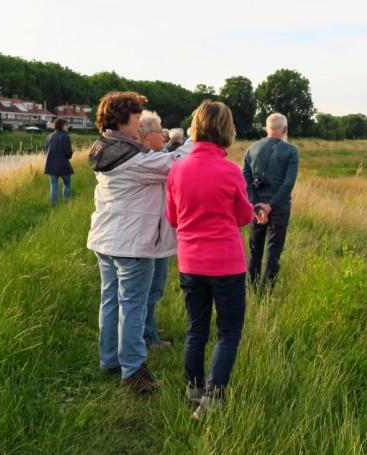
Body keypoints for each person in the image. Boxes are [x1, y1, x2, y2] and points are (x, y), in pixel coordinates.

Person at [87, 92, 185, 395]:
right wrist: (196, 138)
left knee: (111, 300)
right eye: (135, 117)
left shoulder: (109, 148)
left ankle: (110, 359)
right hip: (132, 244)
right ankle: (133, 371)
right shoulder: (130, 158)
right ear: (121, 119)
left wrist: (130, 98)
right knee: (133, 305)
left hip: (107, 240)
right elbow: (173, 163)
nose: (139, 123)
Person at [166, 100, 254, 420]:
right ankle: (213, 400)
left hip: (190, 261)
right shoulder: (230, 170)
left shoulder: (177, 169)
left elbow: (173, 218)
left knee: (195, 329)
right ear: (226, 131)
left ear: (196, 128)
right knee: (228, 333)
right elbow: (244, 216)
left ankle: (193, 390)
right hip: (226, 264)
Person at [242, 113, 299, 290]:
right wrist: (271, 206)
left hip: (256, 207)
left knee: (255, 250)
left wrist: (256, 206)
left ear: (267, 128)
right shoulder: (290, 151)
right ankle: (265, 294)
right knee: (273, 252)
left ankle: (251, 289)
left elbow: (245, 182)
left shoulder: (251, 149)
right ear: (285, 130)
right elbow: (288, 183)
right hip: (279, 207)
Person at [137, 110, 174, 349]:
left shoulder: (152, 156)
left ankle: (148, 325)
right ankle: (147, 336)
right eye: (161, 131)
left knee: (154, 288)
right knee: (150, 289)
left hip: (157, 236)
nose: (165, 135)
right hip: (151, 238)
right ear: (148, 134)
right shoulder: (148, 161)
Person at [44, 118, 74, 206]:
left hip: (51, 166)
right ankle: (67, 203)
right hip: (63, 166)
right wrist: (72, 151)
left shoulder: (49, 136)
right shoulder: (65, 136)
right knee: (67, 184)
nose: (67, 127)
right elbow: (68, 154)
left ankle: (54, 206)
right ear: (62, 125)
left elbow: (46, 151)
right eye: (66, 125)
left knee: (53, 187)